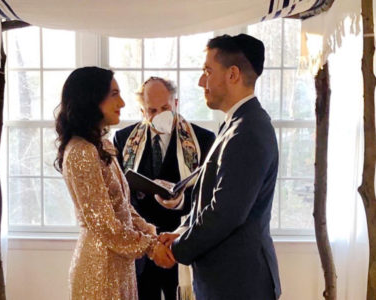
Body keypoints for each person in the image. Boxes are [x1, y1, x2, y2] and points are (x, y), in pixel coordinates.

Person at [159, 34, 282, 299]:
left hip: (238, 284)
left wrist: (177, 249)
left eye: (207, 71)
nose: (201, 81)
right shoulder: (234, 124)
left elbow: (224, 213)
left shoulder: (248, 131)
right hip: (226, 281)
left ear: (233, 74)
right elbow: (208, 200)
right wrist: (180, 232)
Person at [54, 67, 174, 300]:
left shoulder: (102, 146)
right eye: (114, 94)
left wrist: (152, 233)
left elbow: (122, 207)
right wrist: (151, 247)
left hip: (119, 264)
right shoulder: (81, 151)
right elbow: (105, 224)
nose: (122, 102)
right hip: (100, 269)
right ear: (91, 98)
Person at [113, 77, 215, 300]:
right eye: (152, 110)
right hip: (141, 247)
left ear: (175, 104)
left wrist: (179, 201)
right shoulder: (123, 139)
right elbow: (119, 196)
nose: (159, 115)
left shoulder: (203, 139)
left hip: (180, 243)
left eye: (165, 108)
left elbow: (208, 198)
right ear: (142, 110)